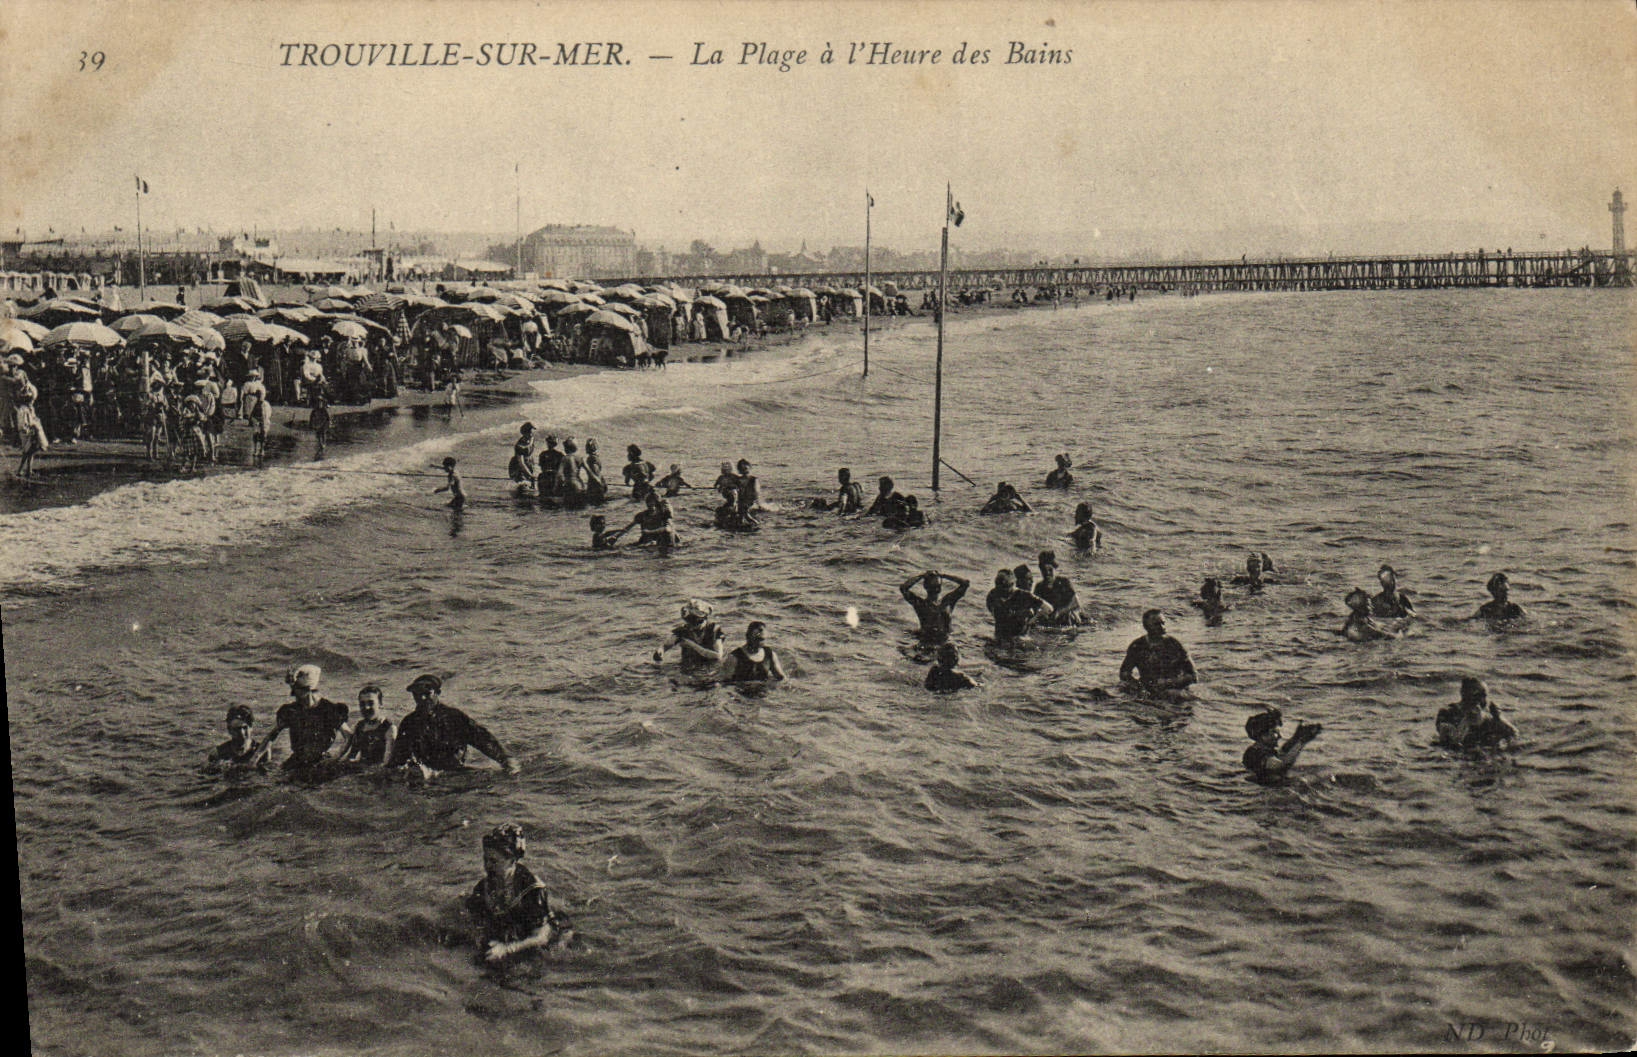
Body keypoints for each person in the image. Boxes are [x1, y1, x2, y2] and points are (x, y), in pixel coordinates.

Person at [467, 823, 572, 964]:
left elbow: (541, 937)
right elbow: (475, 921)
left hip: (544, 934)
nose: (487, 866)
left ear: (512, 860)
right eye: (485, 859)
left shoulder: (532, 889)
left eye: (494, 861)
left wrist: (507, 949)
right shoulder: (483, 888)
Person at [388, 674, 519, 775]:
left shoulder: (455, 717)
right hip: (426, 776)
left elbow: (482, 739)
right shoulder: (409, 722)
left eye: (427, 694)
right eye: (417, 694)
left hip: (456, 772)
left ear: (437, 693)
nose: (422, 698)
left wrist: (505, 760)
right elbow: (398, 759)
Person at [248, 664, 352, 772]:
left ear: (308, 690)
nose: (292, 694)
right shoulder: (291, 710)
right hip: (297, 761)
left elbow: (348, 736)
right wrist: (254, 759)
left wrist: (336, 757)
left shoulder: (329, 709)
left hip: (321, 762)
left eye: (296, 690)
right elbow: (271, 736)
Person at [1118, 610, 1197, 694]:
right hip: (1147, 688)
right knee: (1122, 688)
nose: (1162, 627)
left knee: (1173, 694)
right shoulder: (1137, 646)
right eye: (1156, 624)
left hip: (1173, 688)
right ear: (1146, 626)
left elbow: (1193, 676)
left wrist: (1168, 682)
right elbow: (1124, 672)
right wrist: (1137, 685)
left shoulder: (1175, 645)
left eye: (1163, 623)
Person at [1242, 708, 1322, 784]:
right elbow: (1281, 765)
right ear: (1263, 735)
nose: (1279, 736)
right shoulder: (1254, 753)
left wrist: (1296, 737)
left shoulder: (1259, 749)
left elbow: (1282, 752)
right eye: (1274, 732)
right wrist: (1302, 742)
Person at [1436, 677, 1517, 750]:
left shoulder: (1489, 713)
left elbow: (1513, 734)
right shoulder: (1448, 712)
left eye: (1484, 696)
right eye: (1476, 695)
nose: (1481, 700)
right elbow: (1449, 742)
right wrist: (1467, 721)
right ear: (1463, 694)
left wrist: (1498, 718)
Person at [653, 599, 727, 671]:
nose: (692, 625)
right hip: (688, 667)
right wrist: (661, 651)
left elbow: (717, 656)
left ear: (703, 619)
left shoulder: (713, 630)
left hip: (710, 667)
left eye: (695, 621)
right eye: (689, 620)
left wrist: (692, 644)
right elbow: (666, 645)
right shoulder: (683, 630)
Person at [900, 570, 971, 644]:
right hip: (928, 640)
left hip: (944, 640)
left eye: (937, 586)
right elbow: (903, 588)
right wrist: (922, 576)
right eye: (932, 586)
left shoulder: (947, 601)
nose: (935, 588)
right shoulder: (921, 604)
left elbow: (965, 584)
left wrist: (943, 575)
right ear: (926, 587)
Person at [340, 684, 396, 765]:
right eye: (362, 704)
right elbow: (352, 755)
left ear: (380, 704)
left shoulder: (388, 728)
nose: (366, 707)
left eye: (371, 703)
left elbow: (387, 762)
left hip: (378, 769)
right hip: (363, 767)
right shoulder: (359, 726)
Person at [204, 704, 264, 772]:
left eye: (245, 728)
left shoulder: (261, 752)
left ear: (251, 727)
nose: (242, 733)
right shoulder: (219, 753)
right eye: (237, 729)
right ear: (229, 730)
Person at [1034, 551, 1086, 625]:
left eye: (1050, 570)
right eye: (1044, 571)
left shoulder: (1064, 582)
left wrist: (1059, 611)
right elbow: (1036, 606)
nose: (1047, 573)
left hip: (1067, 615)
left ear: (1055, 569)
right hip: (1052, 618)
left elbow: (1076, 603)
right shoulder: (1039, 587)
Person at [509, 423, 538, 490]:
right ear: (524, 433)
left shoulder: (531, 439)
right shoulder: (520, 446)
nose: (531, 435)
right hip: (518, 467)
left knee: (532, 484)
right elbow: (521, 463)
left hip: (528, 463)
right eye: (529, 433)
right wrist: (530, 475)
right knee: (522, 486)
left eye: (532, 432)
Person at [583, 438, 608, 504]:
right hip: (597, 483)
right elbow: (598, 473)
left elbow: (595, 472)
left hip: (594, 484)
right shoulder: (596, 458)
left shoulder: (591, 458)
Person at [308, 387, 331, 459]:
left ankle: (323, 444)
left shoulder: (324, 410)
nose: (319, 404)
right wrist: (311, 424)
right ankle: (320, 444)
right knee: (318, 434)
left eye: (320, 403)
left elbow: (328, 417)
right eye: (318, 403)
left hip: (323, 423)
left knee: (323, 433)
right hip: (318, 424)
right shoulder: (314, 411)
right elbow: (311, 418)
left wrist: (329, 423)